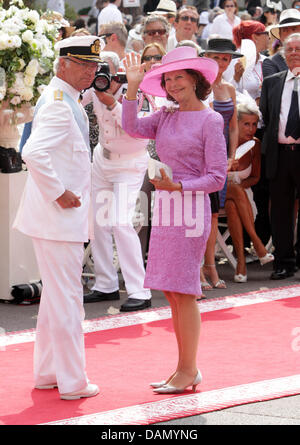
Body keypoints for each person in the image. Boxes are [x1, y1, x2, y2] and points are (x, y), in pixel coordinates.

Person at [122, 47, 227, 393]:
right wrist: (134, 90)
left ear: (196, 80)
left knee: (184, 292)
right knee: (171, 290)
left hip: (191, 211)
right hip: (166, 210)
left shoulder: (211, 120)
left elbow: (216, 178)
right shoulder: (165, 116)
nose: (172, 83)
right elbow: (132, 127)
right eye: (167, 78)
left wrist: (178, 185)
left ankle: (189, 369)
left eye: (179, 76)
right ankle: (184, 368)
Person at [13, 36, 102, 400]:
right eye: (84, 64)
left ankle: (50, 372)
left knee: (55, 298)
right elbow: (32, 152)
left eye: (93, 65)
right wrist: (58, 192)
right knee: (67, 298)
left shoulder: (65, 99)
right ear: (63, 64)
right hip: (58, 217)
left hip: (57, 219)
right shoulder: (58, 102)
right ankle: (72, 381)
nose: (91, 71)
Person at [82, 51, 152, 312]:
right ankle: (105, 284)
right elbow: (76, 102)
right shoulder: (95, 85)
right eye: (96, 71)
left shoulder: (136, 90)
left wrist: (112, 102)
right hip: (102, 160)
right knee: (98, 222)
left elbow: (141, 133)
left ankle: (140, 290)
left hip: (129, 162)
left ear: (118, 72)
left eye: (105, 72)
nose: (100, 77)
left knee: (121, 222)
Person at [200, 37, 241, 290]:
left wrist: (231, 156)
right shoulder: (198, 86)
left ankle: (210, 267)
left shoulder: (230, 88)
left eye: (225, 58)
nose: (221, 62)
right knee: (202, 216)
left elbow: (234, 127)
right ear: (207, 58)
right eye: (216, 57)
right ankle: (201, 270)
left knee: (214, 215)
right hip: (201, 160)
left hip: (221, 162)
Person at [260, 33, 300, 280]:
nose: (294, 53)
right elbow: (267, 117)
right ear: (284, 54)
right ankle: (284, 262)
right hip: (280, 154)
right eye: (290, 49)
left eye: (299, 48)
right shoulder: (272, 82)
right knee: (280, 211)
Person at [225, 102, 274, 282]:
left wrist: (239, 185)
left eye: (254, 124)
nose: (251, 129)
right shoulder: (224, 140)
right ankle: (258, 244)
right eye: (246, 124)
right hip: (217, 192)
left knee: (233, 205)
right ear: (235, 124)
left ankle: (241, 263)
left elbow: (255, 178)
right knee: (233, 194)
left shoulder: (255, 145)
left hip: (242, 196)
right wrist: (227, 168)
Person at [262, 9, 300, 77]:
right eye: (285, 30)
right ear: (280, 35)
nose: (290, 34)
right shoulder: (272, 62)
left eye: (294, 29)